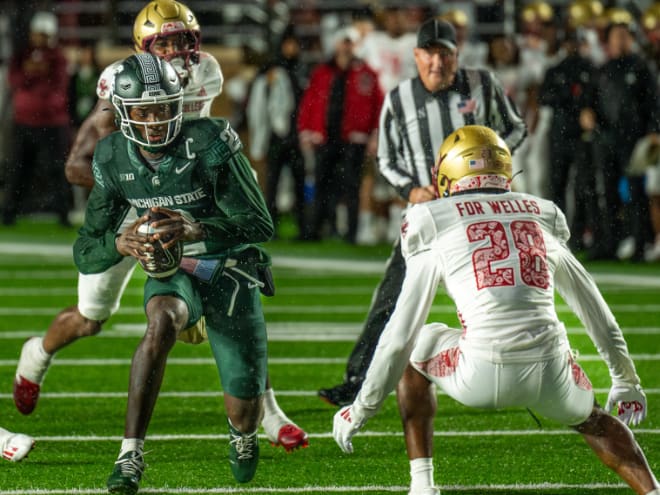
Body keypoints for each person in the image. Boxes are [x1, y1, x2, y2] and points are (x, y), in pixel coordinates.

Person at [12, 0, 308, 453]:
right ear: (141, 48)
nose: (173, 50)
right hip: (132, 205)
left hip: (185, 204)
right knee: (90, 318)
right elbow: (76, 165)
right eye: (162, 42)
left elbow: (206, 139)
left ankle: (267, 412)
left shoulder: (206, 71)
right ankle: (38, 354)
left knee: (234, 291)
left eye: (180, 40)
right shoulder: (122, 81)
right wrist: (138, 194)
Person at [332, 125, 660, 495]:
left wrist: (362, 408)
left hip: (479, 373)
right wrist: (625, 380)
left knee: (417, 346)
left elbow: (399, 335)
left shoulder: (431, 218)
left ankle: (422, 486)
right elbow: (595, 310)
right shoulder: (542, 212)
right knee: (595, 419)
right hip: (551, 370)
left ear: (447, 173)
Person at [78, 53, 272, 492]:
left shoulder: (209, 139)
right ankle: (130, 453)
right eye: (143, 111)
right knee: (161, 319)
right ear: (123, 113)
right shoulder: (112, 155)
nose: (154, 122)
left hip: (230, 268)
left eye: (164, 109)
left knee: (245, 410)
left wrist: (198, 227)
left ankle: (242, 433)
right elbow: (85, 249)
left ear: (180, 105)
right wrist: (119, 243)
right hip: (172, 267)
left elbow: (261, 225)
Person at [318, 18, 526, 406]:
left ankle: (530, 369)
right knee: (393, 298)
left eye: (444, 53)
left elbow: (515, 129)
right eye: (429, 52)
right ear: (416, 56)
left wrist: (484, 164)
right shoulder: (398, 98)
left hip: (479, 214)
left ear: (455, 54)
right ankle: (358, 380)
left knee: (505, 291)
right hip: (428, 216)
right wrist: (411, 189)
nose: (437, 61)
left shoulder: (482, 84)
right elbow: (385, 158)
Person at [297, 26, 383, 243]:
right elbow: (309, 103)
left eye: (350, 42)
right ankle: (316, 230)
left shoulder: (367, 73)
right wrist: (306, 131)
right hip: (325, 138)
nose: (346, 47)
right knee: (322, 185)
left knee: (352, 187)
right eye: (343, 42)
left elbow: (378, 106)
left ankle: (351, 234)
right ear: (336, 44)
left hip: (353, 140)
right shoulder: (322, 72)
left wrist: (375, 135)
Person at [3, 10, 71, 226]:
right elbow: (14, 81)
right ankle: (8, 213)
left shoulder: (57, 58)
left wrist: (34, 74)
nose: (40, 38)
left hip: (52, 123)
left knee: (57, 170)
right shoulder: (22, 56)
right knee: (18, 169)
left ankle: (63, 214)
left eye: (44, 34)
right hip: (25, 121)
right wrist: (35, 73)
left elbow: (56, 87)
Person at [246, 25, 309, 240]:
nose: (291, 48)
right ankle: (270, 227)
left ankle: (304, 228)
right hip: (277, 137)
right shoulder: (271, 70)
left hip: (296, 135)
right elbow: (259, 106)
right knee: (271, 185)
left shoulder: (300, 68)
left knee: (298, 183)